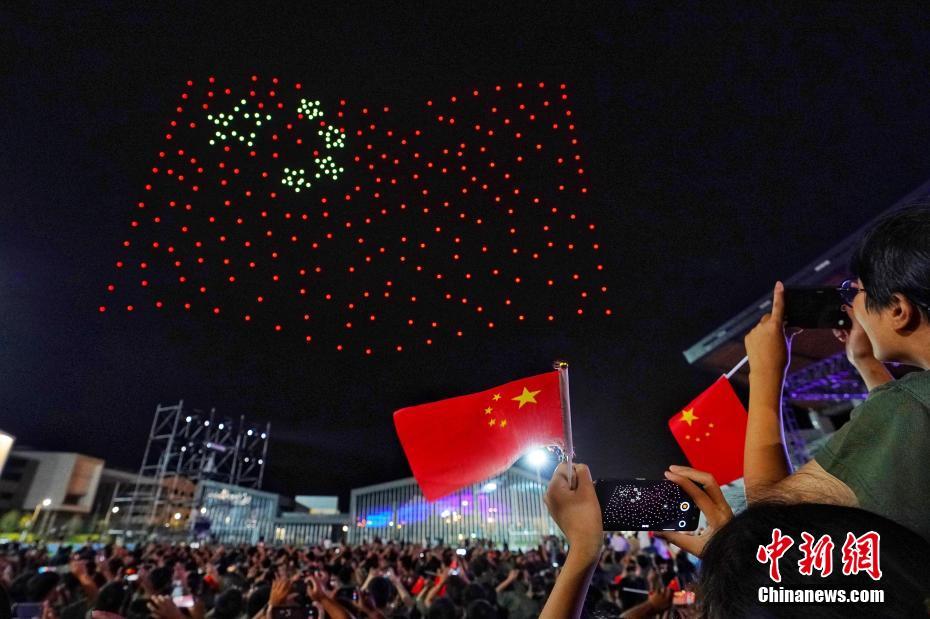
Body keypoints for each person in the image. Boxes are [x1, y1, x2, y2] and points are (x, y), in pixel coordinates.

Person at [742, 205, 930, 542]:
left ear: (899, 310)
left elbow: (770, 515)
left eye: (856, 292)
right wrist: (866, 361)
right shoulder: (911, 405)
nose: (851, 306)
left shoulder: (910, 405)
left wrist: (765, 374)